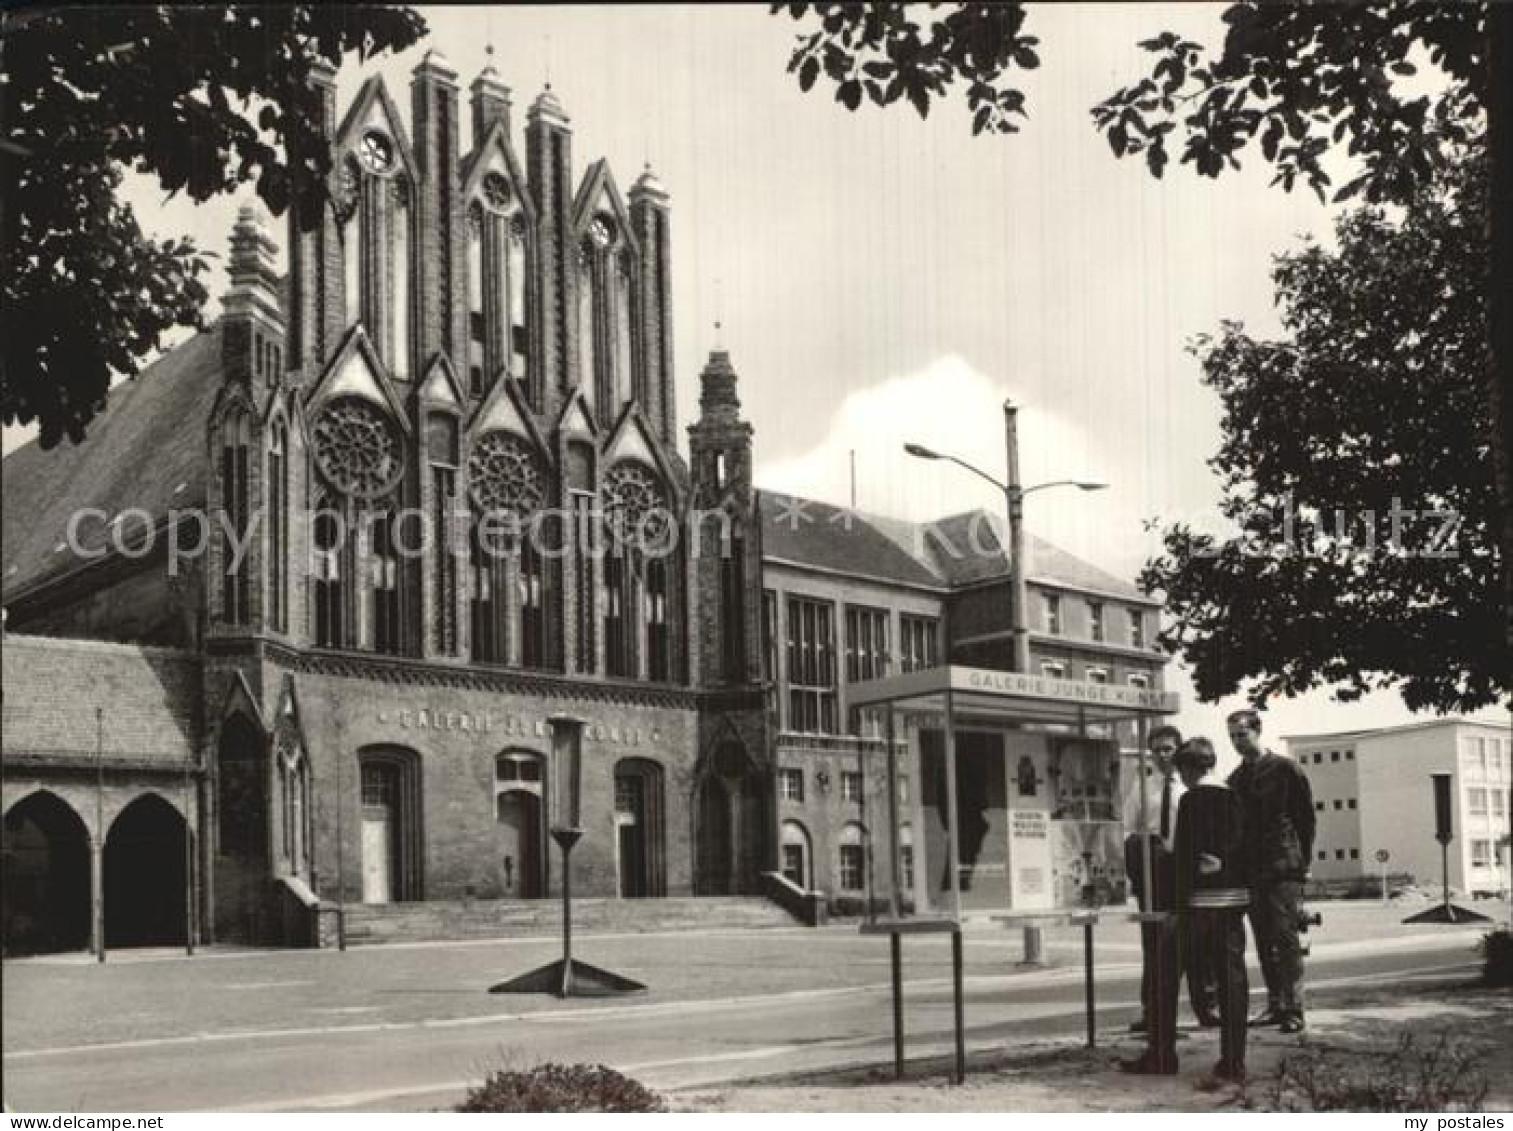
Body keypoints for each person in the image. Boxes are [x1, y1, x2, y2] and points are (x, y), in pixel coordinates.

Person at [1123, 725, 1218, 1040]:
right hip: (1155, 873)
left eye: (1168, 749)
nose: (1162, 755)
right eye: (1156, 750)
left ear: (1179, 750)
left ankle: (1207, 1006)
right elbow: (1129, 828)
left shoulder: (1192, 785)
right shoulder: (1143, 787)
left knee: (1198, 944)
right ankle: (1154, 1012)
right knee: (1155, 944)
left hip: (1188, 870)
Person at [1226, 708, 1314, 1033]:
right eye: (1232, 736)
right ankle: (1276, 1004)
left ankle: (1294, 1009)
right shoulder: (1235, 780)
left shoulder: (1286, 769)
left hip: (1284, 867)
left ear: (1257, 731)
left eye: (1242, 734)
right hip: (1253, 871)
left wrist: (1304, 863)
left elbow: (1305, 818)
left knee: (1286, 938)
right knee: (1263, 940)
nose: (1237, 742)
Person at [1172, 737, 1250, 1084]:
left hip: (1201, 903)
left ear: (1188, 769)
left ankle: (1160, 1050)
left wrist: (1178, 894)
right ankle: (1234, 1060)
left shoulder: (1191, 801)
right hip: (1234, 898)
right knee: (1233, 978)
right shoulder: (1235, 797)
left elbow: (1185, 855)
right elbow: (1245, 845)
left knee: (1173, 967)